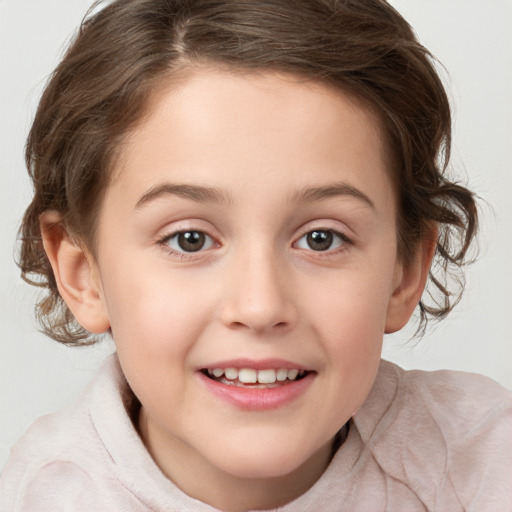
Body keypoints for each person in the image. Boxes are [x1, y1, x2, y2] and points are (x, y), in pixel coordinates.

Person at [1, 0, 511, 510]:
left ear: (406, 270)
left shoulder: (483, 464)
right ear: (82, 274)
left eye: (321, 238)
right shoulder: (37, 498)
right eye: (189, 239)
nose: (260, 306)